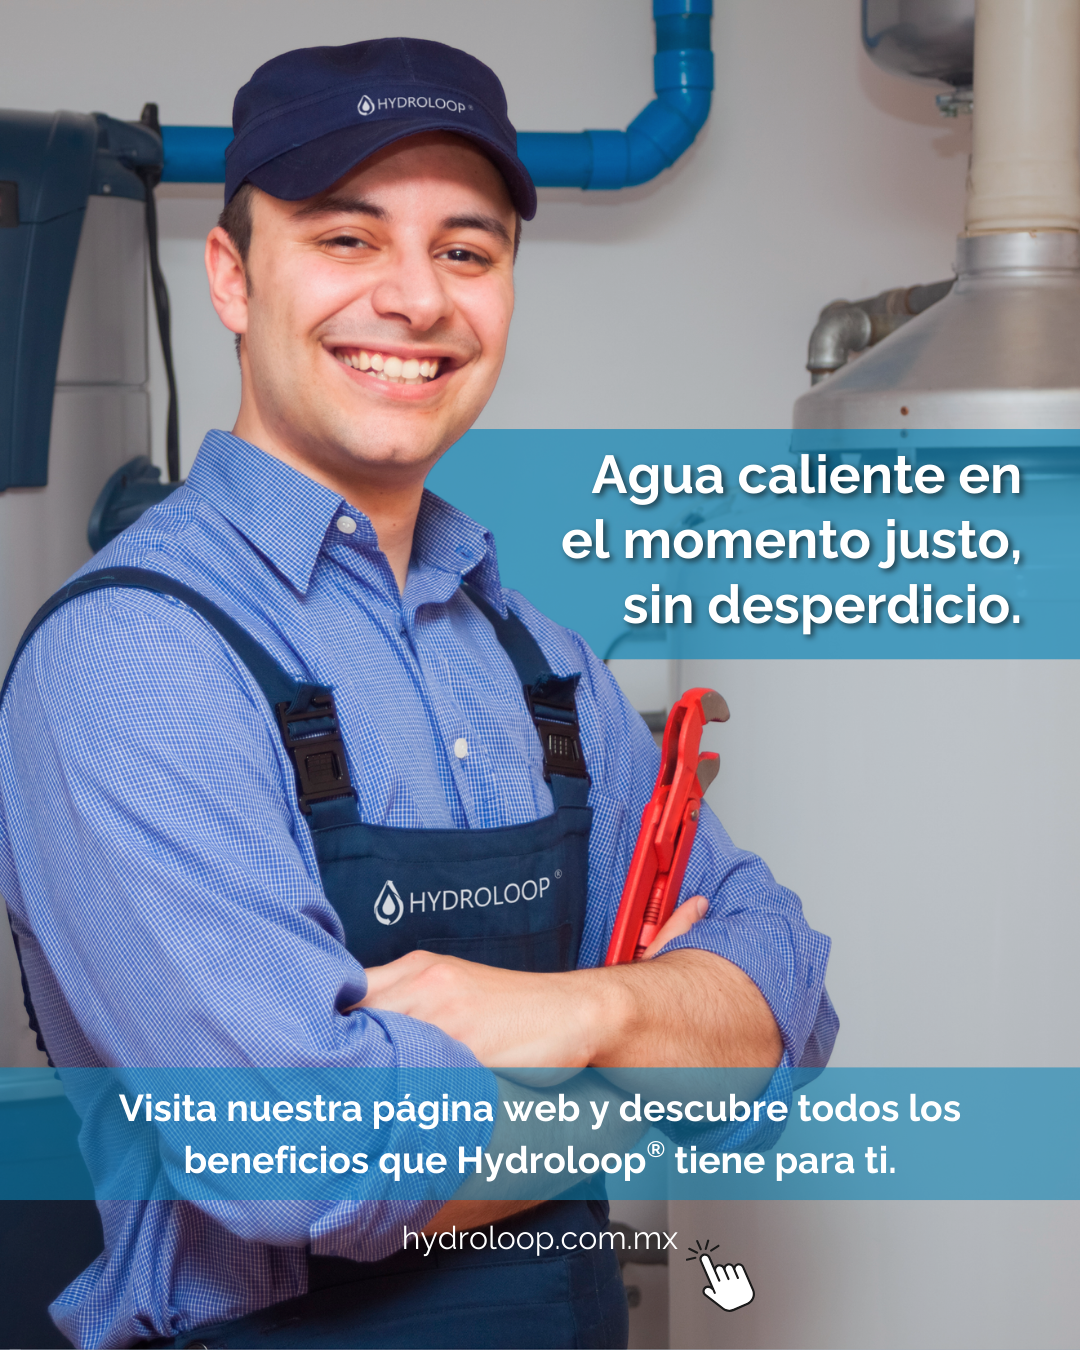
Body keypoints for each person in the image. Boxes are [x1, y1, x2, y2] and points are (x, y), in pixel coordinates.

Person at [0, 36, 837, 1350]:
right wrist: (648, 1061)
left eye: (466, 248)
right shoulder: (132, 661)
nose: (415, 299)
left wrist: (577, 1008)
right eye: (346, 239)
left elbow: (786, 1009)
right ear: (232, 274)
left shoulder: (540, 660)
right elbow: (306, 1155)